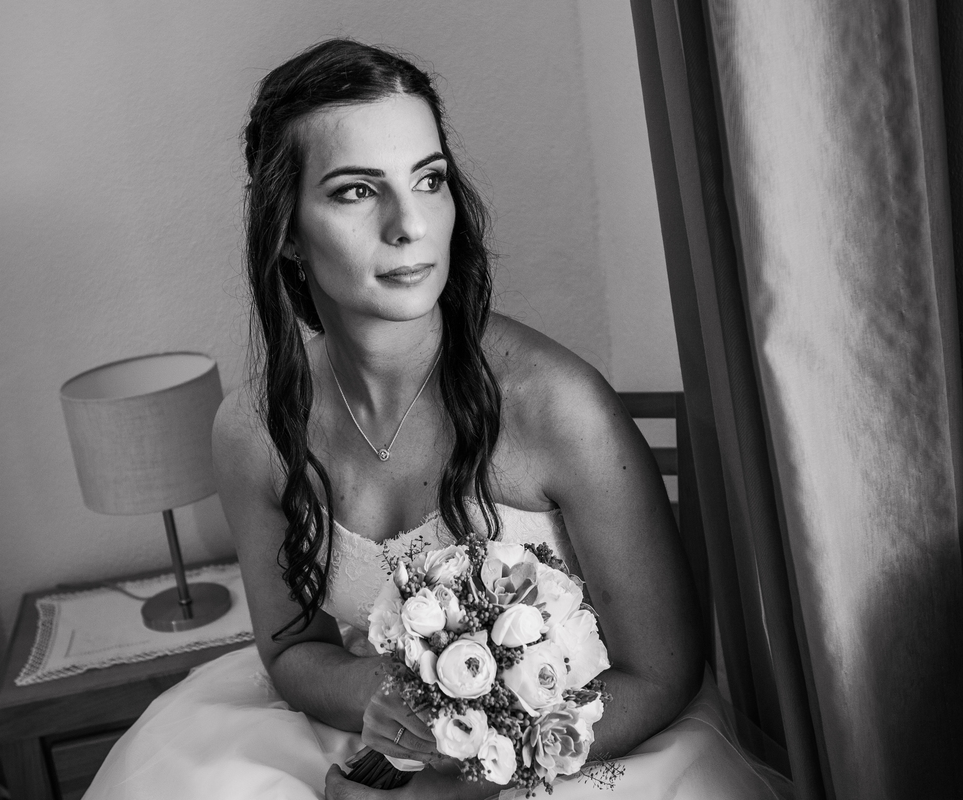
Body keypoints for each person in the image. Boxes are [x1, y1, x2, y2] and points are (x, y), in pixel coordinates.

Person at [82, 39, 793, 800]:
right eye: (357, 191)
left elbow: (661, 674)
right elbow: (291, 652)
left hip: (583, 742)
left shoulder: (557, 407)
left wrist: (464, 786)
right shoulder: (253, 433)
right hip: (376, 734)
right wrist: (390, 701)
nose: (410, 224)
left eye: (429, 180)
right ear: (285, 230)